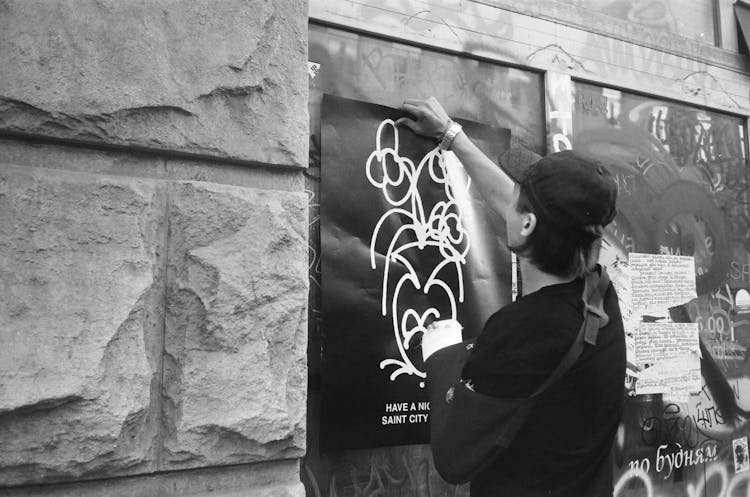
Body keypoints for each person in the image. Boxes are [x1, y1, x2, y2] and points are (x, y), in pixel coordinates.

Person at [397, 97, 626, 497]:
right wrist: (453, 138)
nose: (509, 204)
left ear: (528, 223)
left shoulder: (525, 329)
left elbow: (453, 458)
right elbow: (520, 210)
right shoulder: (599, 294)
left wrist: (441, 352)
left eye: (521, 200)